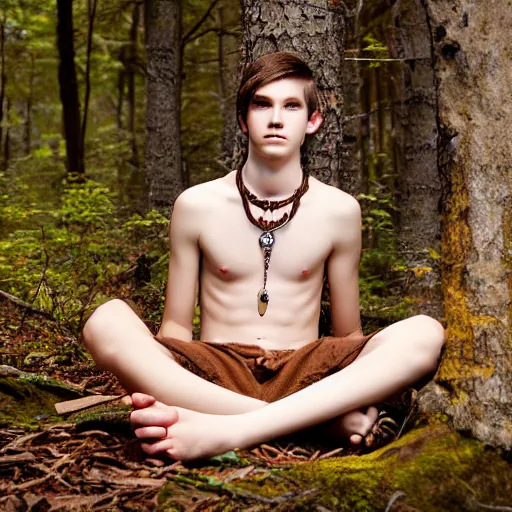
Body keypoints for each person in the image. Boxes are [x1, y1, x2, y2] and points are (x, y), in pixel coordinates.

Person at [82, 52, 446, 462]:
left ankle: (227, 428)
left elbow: (347, 336)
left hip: (305, 371)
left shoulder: (340, 211)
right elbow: (177, 327)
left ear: (313, 121)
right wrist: (166, 376)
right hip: (214, 369)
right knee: (106, 320)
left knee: (425, 333)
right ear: (243, 119)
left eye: (291, 106)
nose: (276, 119)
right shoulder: (196, 204)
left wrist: (357, 376)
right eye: (262, 104)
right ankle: (317, 425)